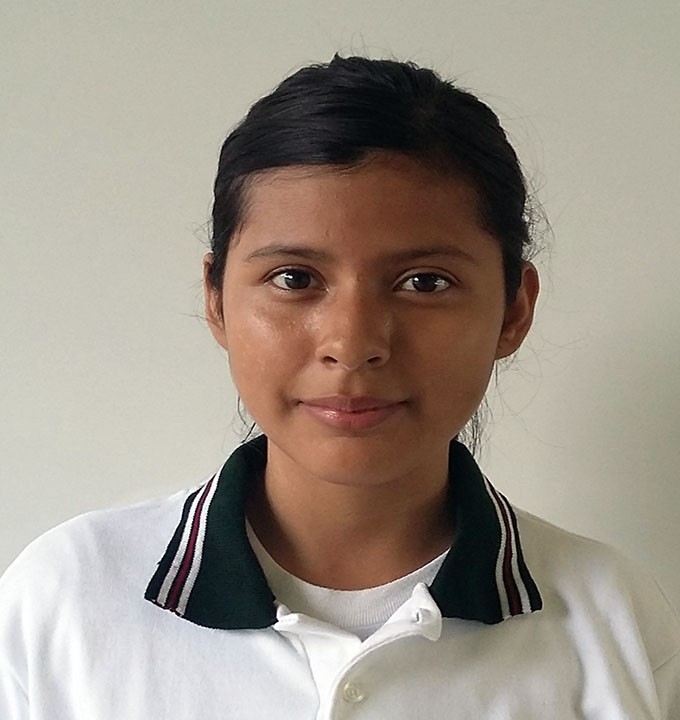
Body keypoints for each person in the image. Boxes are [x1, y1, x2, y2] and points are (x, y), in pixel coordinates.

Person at [0, 55, 678, 719]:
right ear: (216, 299)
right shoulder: (68, 598)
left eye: (425, 283)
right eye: (294, 279)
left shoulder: (613, 621)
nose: (352, 344)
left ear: (514, 310)